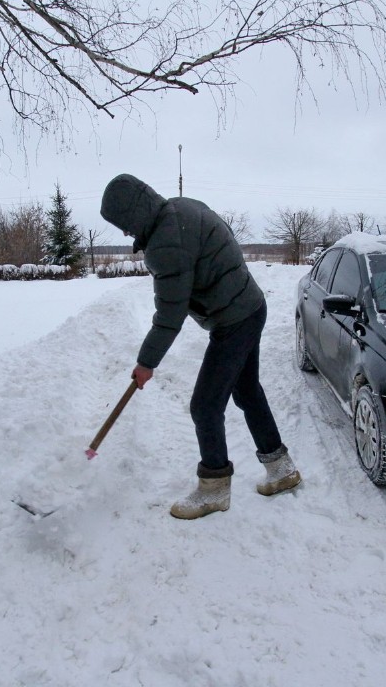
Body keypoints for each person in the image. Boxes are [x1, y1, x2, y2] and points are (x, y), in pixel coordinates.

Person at [100, 174, 301, 519]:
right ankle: (280, 469)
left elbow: (170, 314)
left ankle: (214, 488)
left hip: (234, 319)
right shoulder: (181, 208)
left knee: (205, 406)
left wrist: (146, 363)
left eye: (123, 225)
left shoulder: (165, 245)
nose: (125, 233)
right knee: (247, 391)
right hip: (250, 305)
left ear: (132, 214)